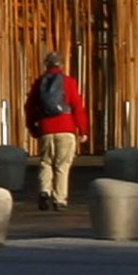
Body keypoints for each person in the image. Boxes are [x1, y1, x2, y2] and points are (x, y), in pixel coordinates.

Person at [24, 58, 92, 206]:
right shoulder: (69, 82)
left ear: (46, 65)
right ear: (61, 65)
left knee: (46, 162)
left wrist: (33, 128)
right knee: (62, 165)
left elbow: (29, 107)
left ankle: (44, 190)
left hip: (46, 129)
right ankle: (59, 199)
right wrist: (83, 130)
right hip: (66, 128)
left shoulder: (39, 83)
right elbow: (77, 107)